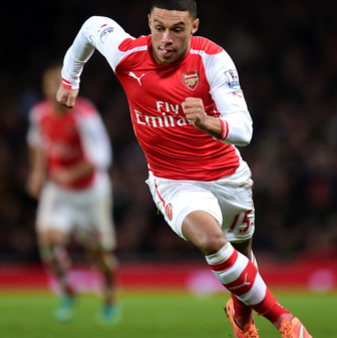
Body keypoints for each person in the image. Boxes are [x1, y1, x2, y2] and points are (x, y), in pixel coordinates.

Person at [56, 1, 313, 337]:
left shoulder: (213, 60)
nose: (165, 38)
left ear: (194, 27)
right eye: (158, 27)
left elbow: (244, 129)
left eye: (177, 29)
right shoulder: (126, 54)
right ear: (148, 21)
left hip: (227, 177)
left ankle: (242, 318)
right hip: (174, 181)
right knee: (211, 240)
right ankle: (285, 321)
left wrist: (208, 122)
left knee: (242, 254)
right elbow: (93, 25)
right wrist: (69, 78)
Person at [26, 64, 120, 324]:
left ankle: (111, 298)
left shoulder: (85, 115)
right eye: (50, 84)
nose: (55, 89)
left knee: (100, 255)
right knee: (48, 240)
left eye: (61, 83)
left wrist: (69, 174)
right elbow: (37, 143)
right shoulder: (39, 115)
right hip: (58, 192)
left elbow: (102, 157)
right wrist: (36, 173)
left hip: (90, 192)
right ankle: (67, 290)